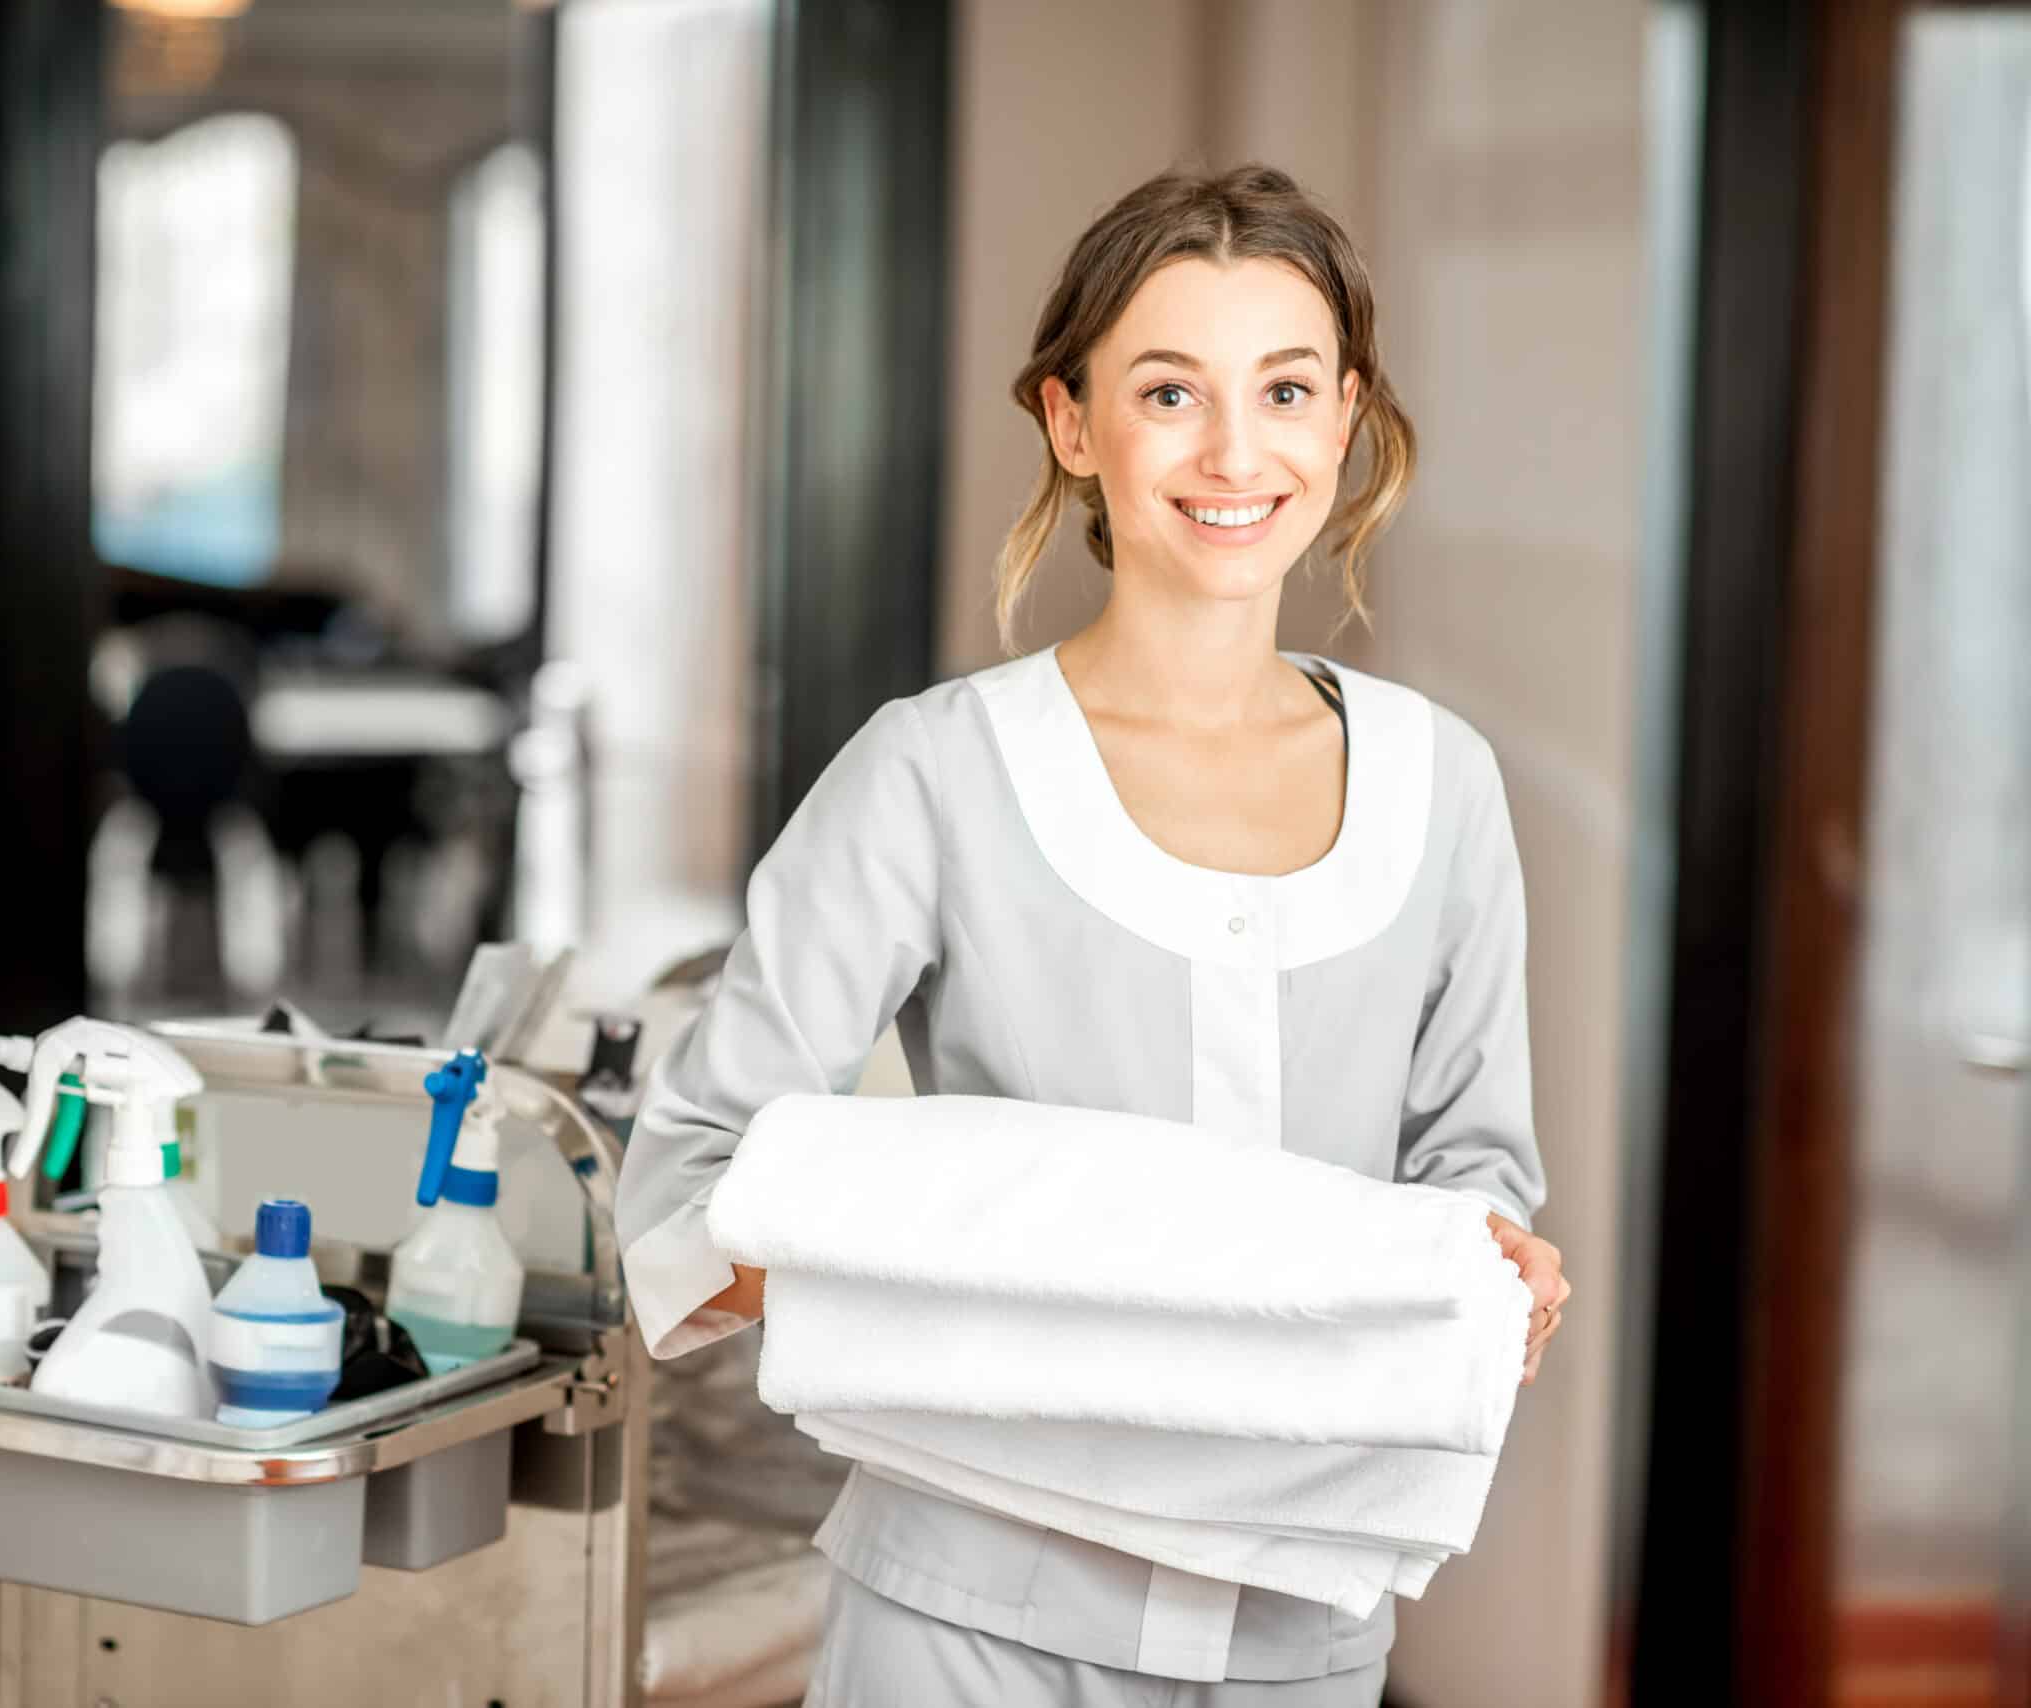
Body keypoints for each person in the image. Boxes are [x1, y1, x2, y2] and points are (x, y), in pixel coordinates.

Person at [613, 164, 1575, 1706]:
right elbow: (679, 1205)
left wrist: (1495, 1278)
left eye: (1284, 388)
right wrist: (1010, 1288)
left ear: (1345, 420)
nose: (1235, 450)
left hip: (1308, 1640)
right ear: (1073, 425)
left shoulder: (1441, 786)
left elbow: (1475, 1186)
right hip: (960, 1633)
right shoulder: (933, 773)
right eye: (1169, 391)